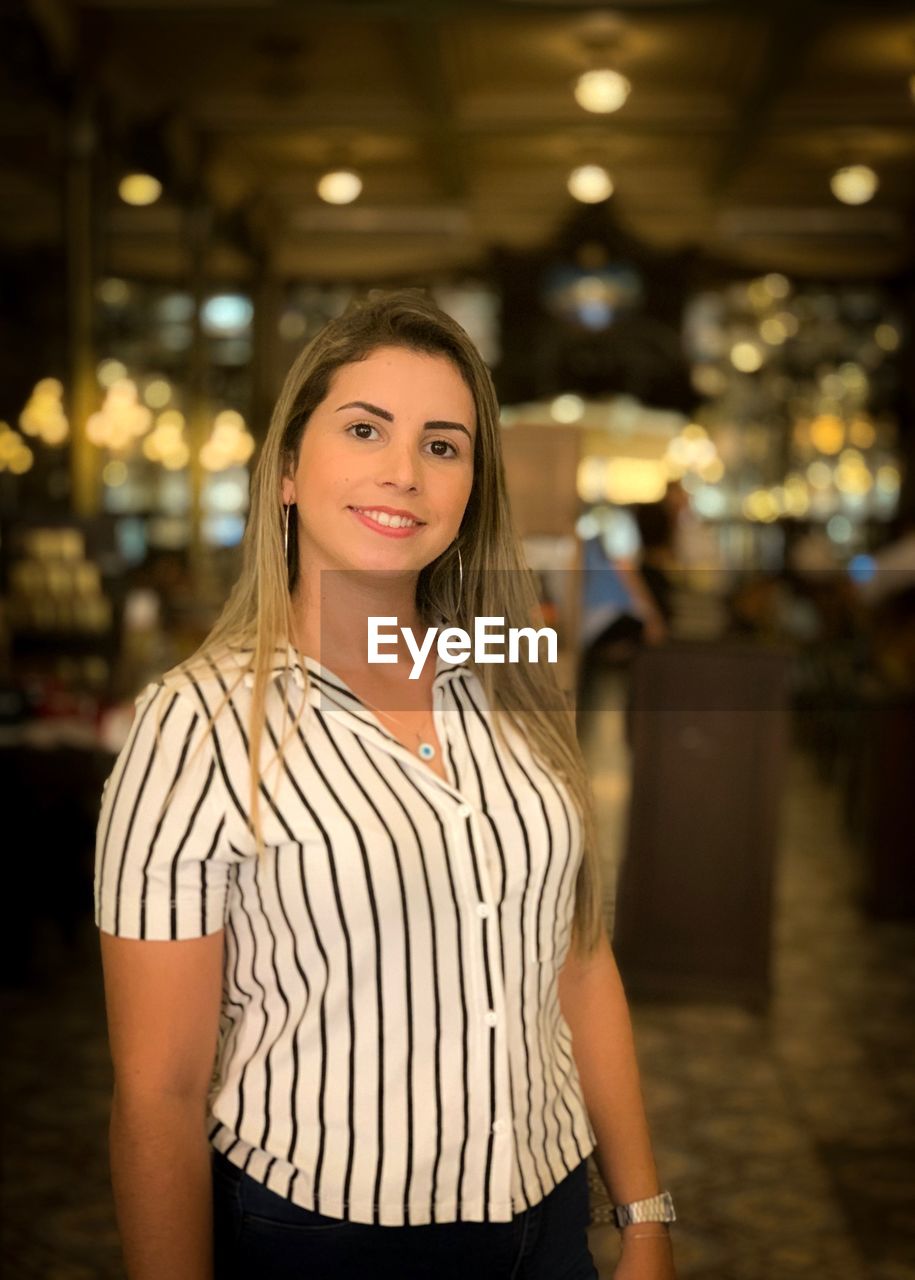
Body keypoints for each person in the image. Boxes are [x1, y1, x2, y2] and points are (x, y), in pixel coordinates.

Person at [94, 290, 678, 1280]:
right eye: (365, 428)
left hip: (550, 1221)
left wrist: (646, 1213)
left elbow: (577, 958)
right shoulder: (191, 724)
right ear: (287, 469)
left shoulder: (516, 685)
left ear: (470, 486)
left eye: (443, 446)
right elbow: (159, 1089)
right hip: (327, 1240)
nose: (403, 472)